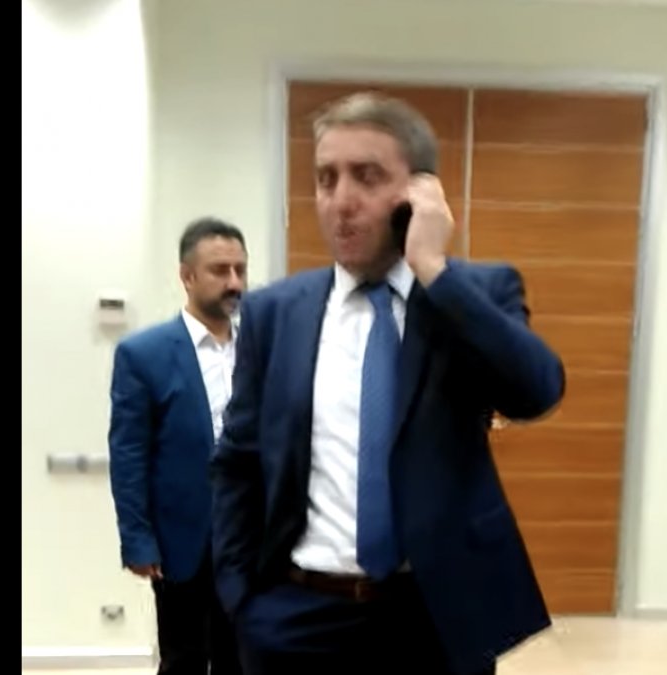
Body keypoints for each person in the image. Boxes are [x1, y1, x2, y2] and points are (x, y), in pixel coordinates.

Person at [209, 92, 567, 675]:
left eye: (367, 176)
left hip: (435, 619)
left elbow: (535, 392)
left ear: (419, 193)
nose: (341, 200)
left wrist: (432, 268)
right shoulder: (275, 312)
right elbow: (238, 461)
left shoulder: (473, 292)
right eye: (326, 179)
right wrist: (242, 600)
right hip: (296, 616)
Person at [108, 217, 248, 675]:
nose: (234, 282)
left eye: (240, 270)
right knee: (184, 659)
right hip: (182, 541)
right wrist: (137, 539)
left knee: (243, 659)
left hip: (250, 539)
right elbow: (129, 454)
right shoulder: (143, 354)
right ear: (187, 276)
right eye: (220, 270)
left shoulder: (259, 346)